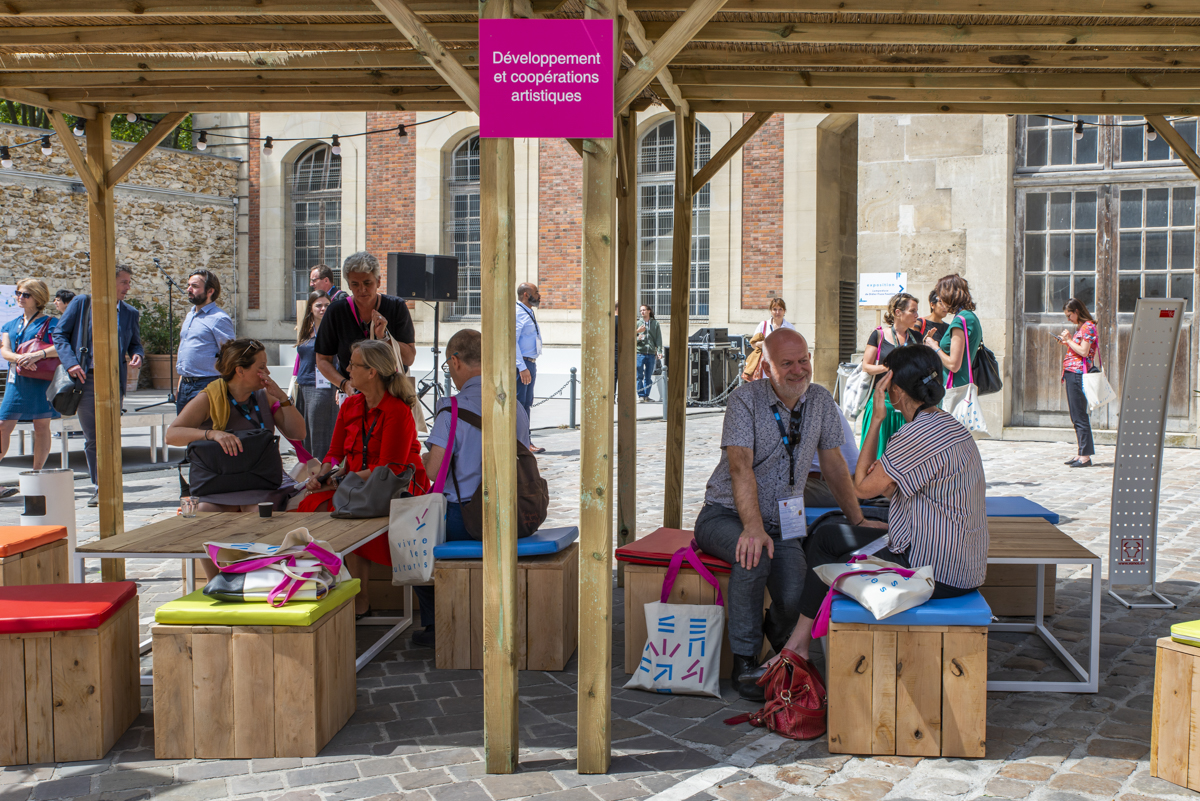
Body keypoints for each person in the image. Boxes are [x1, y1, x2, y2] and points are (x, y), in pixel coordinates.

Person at [693, 328, 884, 701]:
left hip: (783, 522)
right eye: (787, 364)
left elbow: (833, 465)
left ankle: (782, 648)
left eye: (803, 360)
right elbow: (739, 466)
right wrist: (752, 527)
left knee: (798, 590)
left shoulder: (820, 400)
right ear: (767, 368)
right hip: (725, 515)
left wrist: (858, 519)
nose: (799, 370)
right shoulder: (744, 400)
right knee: (752, 557)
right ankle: (745, 662)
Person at [771, 345, 987, 664]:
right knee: (831, 532)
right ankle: (800, 640)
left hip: (933, 571)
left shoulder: (916, 434)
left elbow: (861, 487)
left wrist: (876, 419)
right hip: (963, 564)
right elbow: (894, 488)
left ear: (895, 390)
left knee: (828, 547)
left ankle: (795, 644)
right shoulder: (949, 425)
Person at [408, 329, 532, 647]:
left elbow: (433, 470)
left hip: (463, 518)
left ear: (455, 361)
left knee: (414, 550)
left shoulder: (451, 409)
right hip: (510, 512)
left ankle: (438, 626)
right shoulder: (514, 405)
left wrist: (423, 456)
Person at [299, 340, 429, 617]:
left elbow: (389, 467)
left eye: (353, 365)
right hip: (356, 484)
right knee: (309, 506)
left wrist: (341, 481)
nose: (347, 370)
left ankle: (361, 599)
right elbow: (334, 453)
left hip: (395, 488)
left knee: (350, 517)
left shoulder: (397, 410)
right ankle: (323, 587)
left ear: (372, 372)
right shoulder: (351, 405)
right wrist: (323, 475)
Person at [165, 339, 306, 523]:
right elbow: (171, 435)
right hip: (220, 482)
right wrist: (211, 434)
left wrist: (282, 397)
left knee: (259, 510)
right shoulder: (210, 398)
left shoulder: (265, 397)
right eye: (261, 367)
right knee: (205, 512)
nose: (267, 372)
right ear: (240, 370)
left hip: (259, 481)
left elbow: (298, 433)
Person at [53, 266, 144, 508]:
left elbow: (135, 344)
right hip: (87, 380)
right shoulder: (83, 303)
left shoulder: (130, 312)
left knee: (111, 435)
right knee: (94, 436)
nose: (128, 287)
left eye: (129, 282)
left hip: (114, 381)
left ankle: (111, 485)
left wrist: (138, 355)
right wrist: (71, 363)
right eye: (124, 282)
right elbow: (59, 335)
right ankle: (100, 488)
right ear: (108, 281)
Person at [315, 251, 415, 392]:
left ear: (378, 281)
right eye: (355, 284)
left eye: (367, 283)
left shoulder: (396, 307)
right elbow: (322, 360)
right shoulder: (336, 311)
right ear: (349, 285)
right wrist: (344, 385)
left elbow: (409, 358)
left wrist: (385, 338)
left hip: (390, 394)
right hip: (353, 394)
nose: (362, 289)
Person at [0, 280, 61, 492]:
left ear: (38, 298)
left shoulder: (51, 323)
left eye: (26, 294)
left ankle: (36, 476)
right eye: (18, 293)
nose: (20, 297)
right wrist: (21, 358)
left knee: (41, 426)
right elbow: (5, 350)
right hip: (16, 381)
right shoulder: (10, 324)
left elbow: (61, 346)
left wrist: (37, 355)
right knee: (3, 425)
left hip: (40, 381)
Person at [858, 292, 921, 458]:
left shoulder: (916, 337)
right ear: (898, 312)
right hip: (882, 402)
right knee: (876, 455)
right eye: (912, 311)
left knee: (904, 457)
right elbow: (866, 366)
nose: (917, 315)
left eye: (916, 311)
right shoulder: (878, 335)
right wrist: (888, 367)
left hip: (907, 404)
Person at [175, 269, 236, 413]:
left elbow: (230, 355)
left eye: (195, 286)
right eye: (189, 285)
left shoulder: (219, 318)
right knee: (183, 426)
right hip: (185, 385)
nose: (189, 289)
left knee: (203, 426)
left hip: (206, 384)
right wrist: (180, 384)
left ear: (210, 291)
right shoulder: (190, 315)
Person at [293, 290, 336, 461]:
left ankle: (321, 469)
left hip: (322, 388)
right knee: (304, 433)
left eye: (327, 305)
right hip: (304, 386)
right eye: (319, 305)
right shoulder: (306, 330)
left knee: (319, 435)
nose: (323, 309)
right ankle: (308, 468)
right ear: (311, 308)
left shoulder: (333, 331)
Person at [1057, 297, 1099, 468]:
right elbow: (1078, 349)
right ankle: (1081, 453)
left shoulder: (1088, 326)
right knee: (1076, 415)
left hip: (1078, 374)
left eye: (1069, 315)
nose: (1068, 319)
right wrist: (1067, 342)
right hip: (1072, 373)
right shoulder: (1082, 327)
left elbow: (1084, 351)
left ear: (1077, 311)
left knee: (1079, 415)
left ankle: (1085, 456)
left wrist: (1068, 340)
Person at [924, 274, 982, 390]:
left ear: (948, 295)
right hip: (962, 385)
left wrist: (934, 346)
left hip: (954, 388)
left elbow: (953, 365)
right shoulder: (970, 317)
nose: (940, 300)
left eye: (941, 296)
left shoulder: (960, 320)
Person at [515, 282, 544, 453]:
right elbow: (513, 342)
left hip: (530, 362)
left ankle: (525, 441)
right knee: (520, 405)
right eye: (536, 292)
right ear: (526, 294)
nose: (539, 295)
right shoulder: (518, 313)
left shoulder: (528, 311)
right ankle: (522, 442)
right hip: (523, 364)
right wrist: (521, 367)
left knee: (526, 404)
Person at [635, 304, 662, 403]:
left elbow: (658, 338)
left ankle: (646, 396)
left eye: (644, 310)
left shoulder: (655, 324)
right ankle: (641, 396)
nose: (642, 312)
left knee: (648, 376)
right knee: (639, 376)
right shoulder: (637, 323)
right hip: (640, 352)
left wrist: (659, 351)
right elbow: (630, 338)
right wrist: (638, 338)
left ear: (649, 311)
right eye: (640, 310)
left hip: (650, 353)